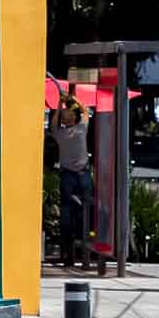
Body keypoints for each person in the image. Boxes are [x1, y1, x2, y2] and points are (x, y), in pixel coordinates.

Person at [50, 93, 92, 266]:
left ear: (74, 117)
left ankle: (84, 250)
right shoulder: (60, 132)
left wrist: (74, 99)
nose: (66, 118)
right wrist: (59, 106)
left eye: (69, 115)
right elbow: (54, 123)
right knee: (66, 214)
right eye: (64, 116)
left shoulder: (82, 127)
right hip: (67, 174)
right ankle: (68, 254)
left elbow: (85, 112)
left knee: (86, 211)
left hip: (82, 173)